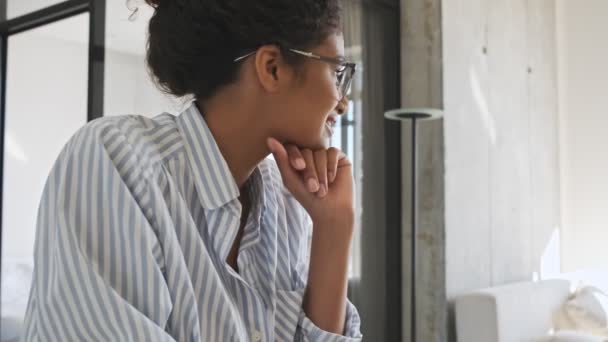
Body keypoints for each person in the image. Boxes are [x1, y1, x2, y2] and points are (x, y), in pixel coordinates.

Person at [22, 0, 362, 340]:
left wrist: (334, 228)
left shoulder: (289, 205)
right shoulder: (117, 163)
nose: (344, 101)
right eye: (337, 73)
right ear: (272, 67)